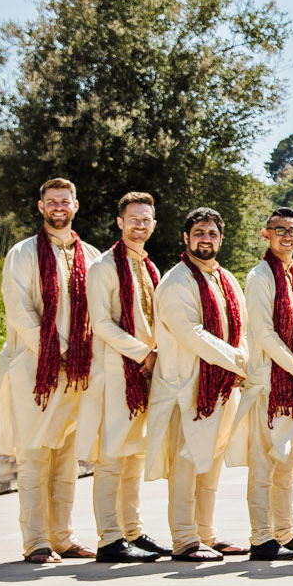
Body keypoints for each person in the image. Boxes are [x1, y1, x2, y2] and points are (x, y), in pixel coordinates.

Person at [0, 177, 97, 564]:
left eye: (65, 201)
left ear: (76, 205)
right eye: (52, 201)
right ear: (41, 207)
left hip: (78, 371)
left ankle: (64, 537)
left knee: (67, 457)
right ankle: (36, 541)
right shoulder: (22, 254)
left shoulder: (89, 254)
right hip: (34, 370)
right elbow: (20, 310)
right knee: (35, 454)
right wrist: (54, 349)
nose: (59, 207)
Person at [144, 207, 251, 561]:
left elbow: (242, 329)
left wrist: (240, 359)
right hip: (185, 387)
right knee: (187, 462)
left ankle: (206, 532)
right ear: (186, 238)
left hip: (221, 386)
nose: (206, 239)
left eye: (212, 233)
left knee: (211, 460)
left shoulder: (225, 278)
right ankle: (185, 539)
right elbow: (191, 334)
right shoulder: (176, 281)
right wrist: (238, 361)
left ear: (221, 238)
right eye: (199, 233)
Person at [79, 191, 167, 563]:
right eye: (133, 218)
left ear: (153, 224)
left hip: (146, 376)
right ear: (119, 222)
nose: (140, 225)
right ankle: (110, 538)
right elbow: (100, 323)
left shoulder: (149, 267)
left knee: (134, 456)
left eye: (146, 219)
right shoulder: (103, 267)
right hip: (116, 374)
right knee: (113, 456)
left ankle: (132, 530)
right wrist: (143, 353)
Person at [243, 208, 293, 562]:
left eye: (292, 230)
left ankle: (285, 531)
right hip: (271, 384)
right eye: (279, 230)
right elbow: (263, 332)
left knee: (288, 465)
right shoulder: (260, 276)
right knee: (264, 463)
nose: (286, 236)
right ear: (266, 234)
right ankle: (261, 537)